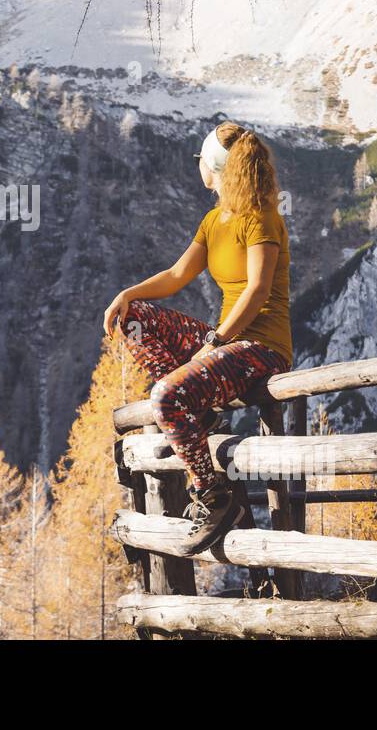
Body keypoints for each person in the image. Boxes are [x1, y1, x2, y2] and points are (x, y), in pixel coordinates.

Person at [102, 121, 293, 552]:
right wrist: (126, 295)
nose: (198, 168)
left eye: (201, 161)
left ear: (217, 169)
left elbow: (257, 289)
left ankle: (214, 496)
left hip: (261, 348)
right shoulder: (214, 221)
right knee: (137, 318)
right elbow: (175, 276)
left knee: (165, 397)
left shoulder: (261, 218)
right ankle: (201, 417)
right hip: (226, 341)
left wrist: (217, 340)